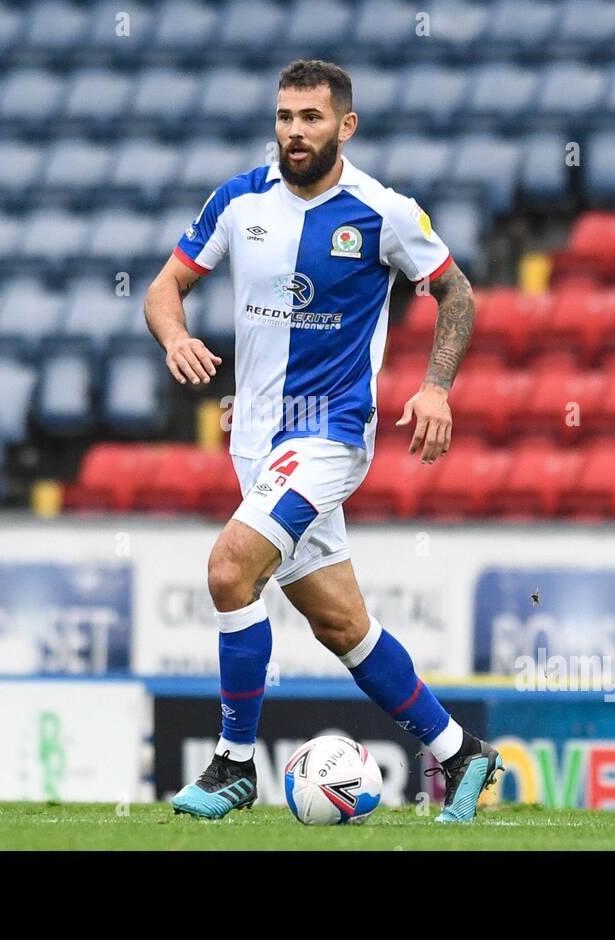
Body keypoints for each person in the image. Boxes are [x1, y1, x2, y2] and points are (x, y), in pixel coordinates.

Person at [144, 59, 501, 822]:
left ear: (346, 125)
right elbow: (164, 285)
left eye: (310, 118)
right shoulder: (239, 200)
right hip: (257, 441)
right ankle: (460, 752)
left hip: (331, 433)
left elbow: (456, 293)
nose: (294, 132)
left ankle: (234, 764)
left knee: (228, 569)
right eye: (284, 117)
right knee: (342, 624)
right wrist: (174, 336)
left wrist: (435, 386)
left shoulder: (382, 211)